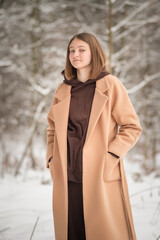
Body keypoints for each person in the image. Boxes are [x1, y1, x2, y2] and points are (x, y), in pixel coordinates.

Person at [46, 32, 142, 240]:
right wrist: (52, 159)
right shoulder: (63, 89)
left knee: (102, 232)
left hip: (99, 172)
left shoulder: (111, 84)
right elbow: (52, 129)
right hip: (67, 173)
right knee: (72, 232)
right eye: (72, 50)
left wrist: (112, 156)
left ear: (94, 53)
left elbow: (131, 127)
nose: (75, 55)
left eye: (81, 50)